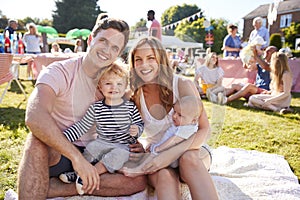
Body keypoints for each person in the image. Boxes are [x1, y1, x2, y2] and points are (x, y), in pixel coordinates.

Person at [17, 14, 147, 199]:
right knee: (36, 141)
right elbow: (35, 117)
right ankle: (63, 181)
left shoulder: (117, 84)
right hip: (61, 150)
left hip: (99, 153)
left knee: (138, 180)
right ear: (90, 39)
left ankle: (57, 188)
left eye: (114, 47)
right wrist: (77, 159)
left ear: (118, 54)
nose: (106, 50)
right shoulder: (59, 72)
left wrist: (133, 141)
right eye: (103, 40)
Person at [128, 36, 219, 199]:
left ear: (161, 60)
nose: (144, 65)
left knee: (188, 158)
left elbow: (204, 128)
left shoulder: (182, 85)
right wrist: (139, 146)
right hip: (158, 155)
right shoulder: (135, 94)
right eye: (138, 60)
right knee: (164, 175)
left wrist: (169, 155)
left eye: (151, 58)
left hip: (192, 150)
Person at [59, 62, 144, 195]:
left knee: (119, 155)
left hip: (122, 145)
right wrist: (62, 138)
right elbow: (82, 126)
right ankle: (77, 174)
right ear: (100, 86)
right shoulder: (96, 108)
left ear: (125, 87)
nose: (113, 87)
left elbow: (139, 124)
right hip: (102, 141)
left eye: (119, 84)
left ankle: (87, 176)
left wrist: (137, 130)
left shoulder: (130, 107)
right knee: (91, 149)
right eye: (108, 83)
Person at [122, 96, 202, 177]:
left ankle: (139, 170)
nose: (174, 116)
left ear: (194, 120)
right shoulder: (182, 125)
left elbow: (173, 141)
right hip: (169, 152)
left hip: (173, 156)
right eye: (174, 112)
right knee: (150, 155)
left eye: (180, 115)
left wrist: (158, 148)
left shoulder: (187, 129)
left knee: (153, 156)